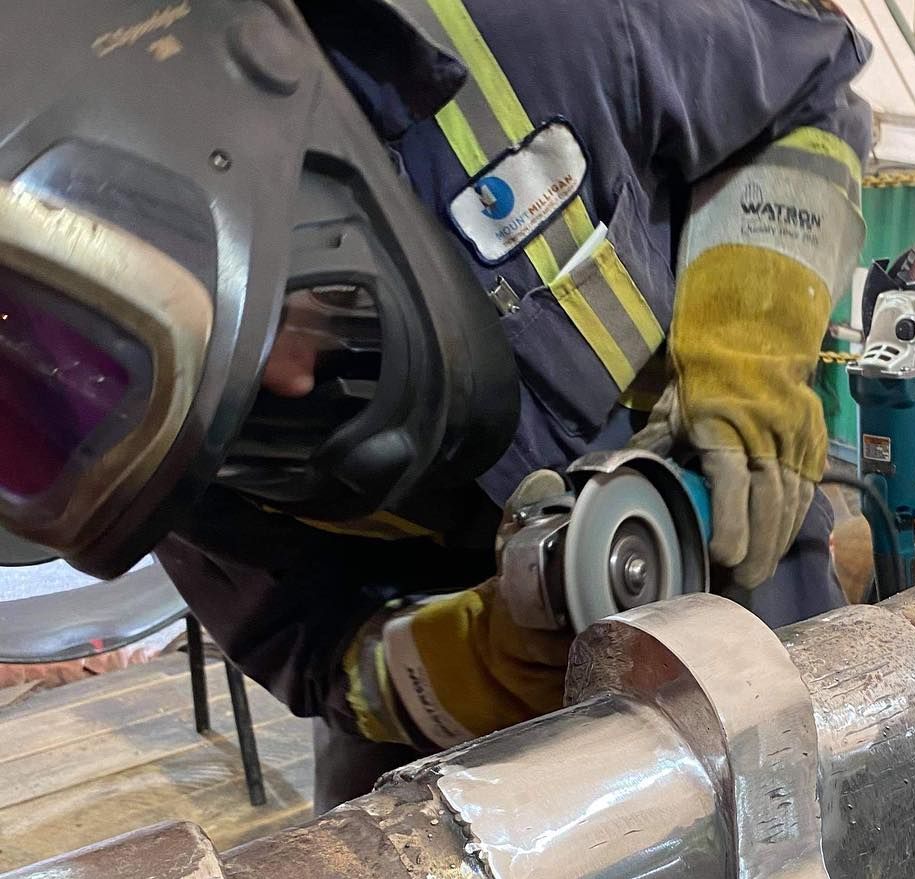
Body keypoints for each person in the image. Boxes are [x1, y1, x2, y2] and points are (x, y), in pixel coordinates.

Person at [0, 0, 871, 809]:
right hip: (469, 760)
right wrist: (481, 661)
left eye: (264, 320)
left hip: (748, 565)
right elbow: (315, 654)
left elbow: (803, 101)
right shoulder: (113, 434)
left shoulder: (536, 32)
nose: (294, 388)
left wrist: (747, 360)